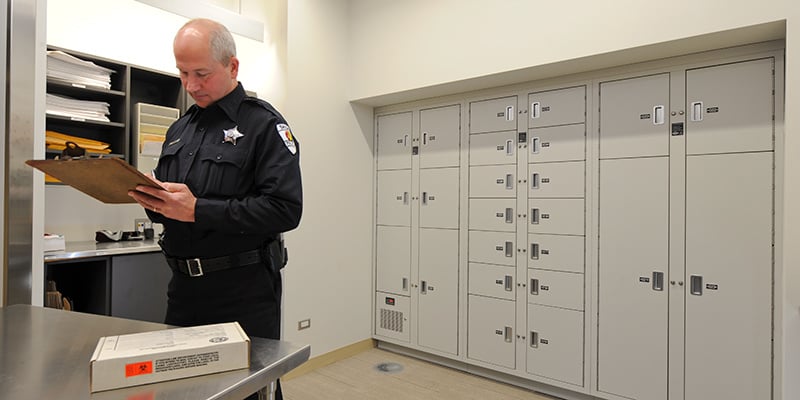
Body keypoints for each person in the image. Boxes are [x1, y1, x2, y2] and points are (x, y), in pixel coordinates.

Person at [128, 18, 302, 400]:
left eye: (202, 74)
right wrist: (151, 198)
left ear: (232, 67)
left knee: (244, 392)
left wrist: (198, 210)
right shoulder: (180, 129)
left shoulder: (264, 125)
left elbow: (285, 210)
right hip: (183, 291)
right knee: (182, 392)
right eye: (183, 73)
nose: (190, 85)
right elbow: (172, 210)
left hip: (242, 293)